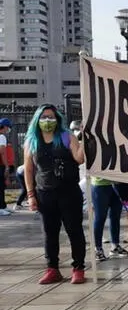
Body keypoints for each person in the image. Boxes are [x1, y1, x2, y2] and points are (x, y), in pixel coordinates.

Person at [23, 104, 86, 284]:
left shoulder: (67, 137)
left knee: (74, 230)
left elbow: (79, 158)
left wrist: (83, 139)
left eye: (51, 117)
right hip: (45, 193)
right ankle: (52, 269)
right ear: (37, 120)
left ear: (57, 119)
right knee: (50, 233)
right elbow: (28, 169)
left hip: (69, 192)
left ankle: (78, 268)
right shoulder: (31, 141)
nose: (47, 121)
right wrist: (30, 195)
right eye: (43, 117)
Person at [0, 117, 12, 216]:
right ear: (4, 127)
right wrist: (7, 166)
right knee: (0, 186)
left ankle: (3, 206)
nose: (8, 129)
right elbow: (2, 152)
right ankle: (1, 208)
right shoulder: (2, 137)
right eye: (8, 127)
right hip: (1, 165)